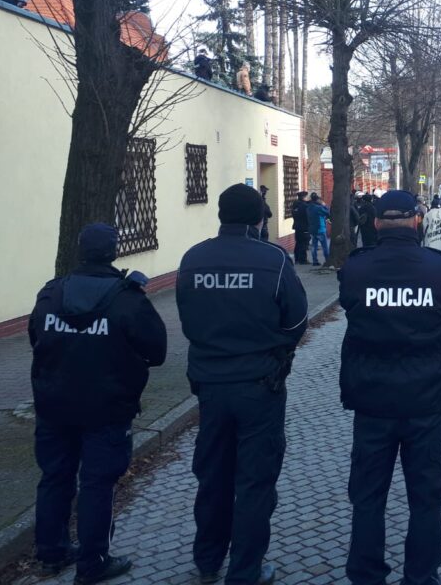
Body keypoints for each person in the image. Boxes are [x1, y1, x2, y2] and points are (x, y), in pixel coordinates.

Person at [177, 184, 308, 585]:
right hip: (260, 384)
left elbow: (185, 318)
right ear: (258, 219)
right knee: (254, 480)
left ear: (221, 215)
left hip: (211, 385)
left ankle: (207, 559)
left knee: (212, 474)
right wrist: (275, 349)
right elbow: (296, 320)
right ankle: (246, 570)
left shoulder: (193, 258)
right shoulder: (273, 259)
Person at [29, 224, 167, 584]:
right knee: (97, 483)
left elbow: (35, 337)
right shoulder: (127, 297)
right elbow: (158, 351)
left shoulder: (51, 293)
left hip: (54, 405)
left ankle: (51, 553)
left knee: (55, 477)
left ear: (79, 250)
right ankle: (93, 562)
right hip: (107, 407)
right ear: (114, 251)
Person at [338, 190, 441, 585]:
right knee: (426, 497)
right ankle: (422, 577)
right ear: (417, 221)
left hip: (372, 401)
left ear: (374, 224)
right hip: (425, 402)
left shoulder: (355, 270)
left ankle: (365, 575)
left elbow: (352, 309)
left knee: (368, 497)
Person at [306, 192, 331, 266]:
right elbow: (327, 213)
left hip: (312, 229)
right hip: (320, 229)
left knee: (314, 246)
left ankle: (314, 261)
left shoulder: (308, 208)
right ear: (317, 200)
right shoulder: (319, 208)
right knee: (325, 246)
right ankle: (327, 260)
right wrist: (324, 205)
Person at [291, 191, 310, 264]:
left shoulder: (295, 205)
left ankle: (297, 259)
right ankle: (303, 260)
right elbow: (307, 216)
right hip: (304, 227)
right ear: (304, 197)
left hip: (297, 227)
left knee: (298, 243)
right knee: (304, 244)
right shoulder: (305, 206)